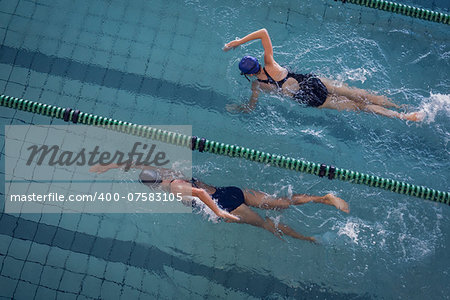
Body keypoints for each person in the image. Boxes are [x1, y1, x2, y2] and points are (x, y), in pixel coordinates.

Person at [90, 163, 350, 242]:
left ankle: (308, 239)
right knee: (282, 203)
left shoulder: (173, 189)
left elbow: (201, 196)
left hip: (227, 205)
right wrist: (109, 166)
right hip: (232, 191)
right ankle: (323, 198)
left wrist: (219, 213)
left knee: (266, 225)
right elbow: (135, 164)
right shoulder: (165, 172)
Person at [224, 28, 423, 121]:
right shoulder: (270, 63)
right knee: (358, 92)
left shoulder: (257, 85)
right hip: (311, 82)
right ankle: (402, 107)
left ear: (248, 75)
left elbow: (251, 108)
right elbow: (264, 32)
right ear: (258, 63)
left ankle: (402, 116)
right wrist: (238, 41)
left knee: (358, 107)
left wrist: (239, 109)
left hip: (309, 98)